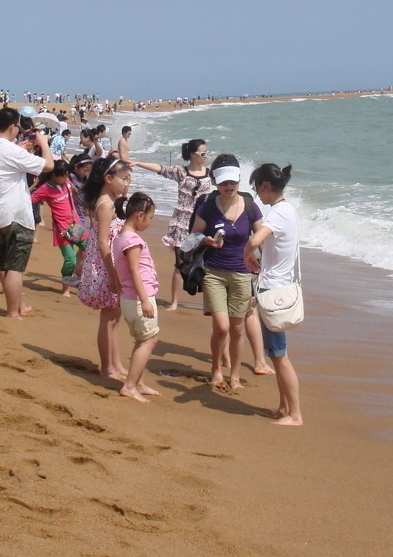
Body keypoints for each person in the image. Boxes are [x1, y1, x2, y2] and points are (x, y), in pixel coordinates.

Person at [191, 154, 264, 389]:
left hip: (242, 273)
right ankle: (215, 369)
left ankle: (233, 375)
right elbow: (193, 236)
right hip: (213, 272)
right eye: (223, 182)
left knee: (237, 327)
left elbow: (262, 238)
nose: (228, 187)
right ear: (215, 182)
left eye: (232, 182)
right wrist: (207, 241)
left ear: (239, 180)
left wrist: (270, 263)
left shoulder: (251, 207)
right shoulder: (208, 206)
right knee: (221, 327)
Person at [120, 137, 214, 310]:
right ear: (193, 155)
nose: (206, 156)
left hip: (201, 223)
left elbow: (225, 185)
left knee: (203, 263)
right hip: (182, 224)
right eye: (202, 153)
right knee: (179, 264)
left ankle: (209, 304)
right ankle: (174, 302)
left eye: (207, 153)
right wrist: (138, 163)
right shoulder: (181, 172)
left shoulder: (210, 174)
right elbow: (160, 168)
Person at [0, 107, 54, 317]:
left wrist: (18, 148)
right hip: (15, 214)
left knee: (3, 264)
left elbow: (5, 160)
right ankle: (13, 312)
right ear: (12, 127)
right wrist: (44, 143)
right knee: (15, 268)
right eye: (18, 126)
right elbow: (48, 165)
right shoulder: (11, 151)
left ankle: (18, 305)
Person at [244, 163, 303, 425]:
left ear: (266, 186)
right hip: (280, 286)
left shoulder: (277, 213)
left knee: (280, 357)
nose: (258, 194)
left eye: (257, 189)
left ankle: (295, 414)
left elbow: (256, 240)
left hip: (274, 291)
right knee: (276, 355)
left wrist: (248, 254)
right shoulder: (287, 210)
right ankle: (283, 407)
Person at [79, 157, 132, 380]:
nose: (127, 183)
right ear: (108, 179)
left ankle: (116, 364)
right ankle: (106, 367)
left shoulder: (110, 201)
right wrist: (112, 275)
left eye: (129, 178)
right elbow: (102, 241)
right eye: (124, 178)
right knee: (108, 318)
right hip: (104, 265)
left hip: (110, 263)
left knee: (115, 317)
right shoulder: (105, 204)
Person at [111, 192, 161, 402]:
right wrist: (145, 300)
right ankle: (130, 386)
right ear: (140, 216)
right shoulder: (132, 240)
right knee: (149, 340)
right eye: (150, 218)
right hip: (138, 298)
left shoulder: (120, 237)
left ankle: (137, 382)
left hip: (129, 298)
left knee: (142, 339)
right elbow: (134, 271)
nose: (149, 222)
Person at [29, 159, 83, 296]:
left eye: (67, 175)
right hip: (62, 229)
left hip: (75, 225)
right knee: (70, 259)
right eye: (63, 175)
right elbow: (30, 201)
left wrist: (75, 190)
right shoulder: (45, 188)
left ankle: (83, 278)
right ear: (54, 175)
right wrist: (33, 185)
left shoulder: (67, 183)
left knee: (92, 250)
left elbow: (75, 191)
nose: (66, 178)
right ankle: (65, 287)